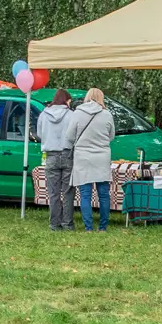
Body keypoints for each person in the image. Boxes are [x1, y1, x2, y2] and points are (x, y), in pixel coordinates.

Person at [67, 88, 116, 231]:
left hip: (82, 157)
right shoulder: (107, 114)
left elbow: (69, 136)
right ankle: (103, 227)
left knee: (85, 194)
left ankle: (88, 227)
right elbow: (111, 136)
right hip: (102, 157)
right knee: (104, 194)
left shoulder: (77, 113)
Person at [37, 89, 77, 231]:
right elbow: (75, 134)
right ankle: (68, 223)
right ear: (66, 100)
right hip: (67, 154)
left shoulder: (43, 115)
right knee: (68, 192)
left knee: (53, 192)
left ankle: (54, 223)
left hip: (51, 155)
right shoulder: (71, 115)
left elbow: (39, 134)